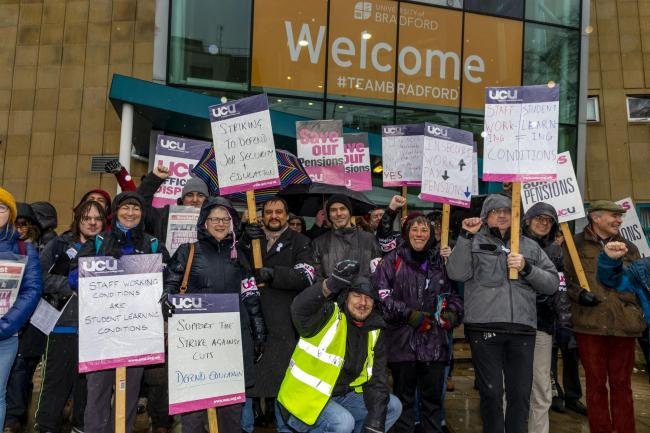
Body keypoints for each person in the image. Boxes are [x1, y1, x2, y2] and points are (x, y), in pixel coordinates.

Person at [446, 194, 559, 433]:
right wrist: (465, 237)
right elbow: (456, 273)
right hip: (484, 328)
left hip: (523, 330)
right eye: (495, 211)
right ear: (486, 216)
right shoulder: (473, 241)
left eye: (508, 211)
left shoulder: (530, 246)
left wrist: (527, 268)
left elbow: (551, 284)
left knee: (520, 394)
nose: (502, 215)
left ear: (516, 215)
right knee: (491, 391)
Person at [163, 196, 266, 433]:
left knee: (230, 412)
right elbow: (170, 284)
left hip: (232, 342)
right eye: (214, 219)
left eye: (225, 219)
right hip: (196, 345)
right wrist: (167, 300)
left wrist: (259, 331)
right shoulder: (187, 251)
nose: (220, 223)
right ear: (204, 222)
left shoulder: (240, 255)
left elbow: (251, 297)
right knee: (194, 415)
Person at [72, 192, 168, 433]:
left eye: (136, 208)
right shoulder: (98, 241)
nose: (131, 213)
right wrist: (103, 267)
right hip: (102, 332)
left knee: (129, 395)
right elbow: (75, 278)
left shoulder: (153, 244)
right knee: (97, 394)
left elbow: (168, 279)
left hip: (137, 333)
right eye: (125, 208)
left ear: (142, 213)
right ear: (115, 212)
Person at [277, 260, 402, 433]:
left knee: (392, 406)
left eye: (368, 298)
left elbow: (377, 380)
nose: (363, 302)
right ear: (346, 296)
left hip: (342, 397)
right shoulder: (328, 316)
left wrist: (375, 422)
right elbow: (300, 309)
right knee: (343, 423)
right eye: (357, 295)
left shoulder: (375, 329)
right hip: (302, 400)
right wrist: (330, 284)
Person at [373, 213, 462, 433]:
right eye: (414, 229)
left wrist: (452, 313)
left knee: (433, 404)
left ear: (431, 234)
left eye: (424, 230)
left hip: (434, 343)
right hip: (402, 342)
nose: (419, 234)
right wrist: (409, 315)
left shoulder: (440, 262)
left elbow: (455, 296)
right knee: (404, 403)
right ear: (406, 232)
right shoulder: (391, 261)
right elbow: (382, 297)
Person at [563, 200, 645, 433]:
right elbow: (564, 280)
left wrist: (634, 310)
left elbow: (639, 282)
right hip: (590, 324)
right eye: (614, 216)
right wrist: (579, 295)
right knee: (596, 385)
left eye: (620, 216)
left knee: (622, 385)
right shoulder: (574, 244)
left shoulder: (629, 247)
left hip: (624, 326)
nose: (619, 220)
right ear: (595, 218)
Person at [240, 197, 314, 433]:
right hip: (250, 322)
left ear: (287, 215)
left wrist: (274, 274)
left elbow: (307, 277)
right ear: (261, 215)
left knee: (283, 387)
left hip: (283, 326)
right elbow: (237, 267)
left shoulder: (300, 242)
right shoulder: (250, 239)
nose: (273, 216)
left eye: (279, 212)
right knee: (246, 387)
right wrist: (243, 240)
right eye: (269, 212)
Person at [34, 200, 107, 433]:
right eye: (87, 218)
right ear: (78, 220)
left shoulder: (110, 247)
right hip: (63, 325)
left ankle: (80, 426)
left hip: (96, 330)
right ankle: (45, 427)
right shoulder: (59, 244)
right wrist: (71, 285)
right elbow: (39, 279)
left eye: (97, 219)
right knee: (55, 384)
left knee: (87, 387)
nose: (93, 223)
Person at [520, 203, 572, 433]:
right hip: (514, 324)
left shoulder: (555, 251)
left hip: (542, 326)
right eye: (539, 218)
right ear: (528, 220)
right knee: (508, 386)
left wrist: (564, 324)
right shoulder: (512, 243)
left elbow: (560, 290)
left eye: (549, 220)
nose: (544, 223)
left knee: (541, 387)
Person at [0, 187, 43, 428]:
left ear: (11, 214)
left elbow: (32, 290)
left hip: (4, 335)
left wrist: (6, 325)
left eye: (1, 207)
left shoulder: (24, 249)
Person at [312, 194, 382, 279]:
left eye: (343, 209)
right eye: (333, 210)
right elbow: (317, 279)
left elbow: (379, 275)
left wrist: (362, 290)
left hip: (363, 291)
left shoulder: (369, 239)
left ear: (350, 212)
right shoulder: (318, 243)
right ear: (329, 214)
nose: (338, 213)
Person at [137, 165, 209, 244]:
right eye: (190, 195)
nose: (195, 200)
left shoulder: (216, 220)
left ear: (207, 200)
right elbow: (141, 207)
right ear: (182, 199)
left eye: (200, 195)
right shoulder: (165, 216)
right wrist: (153, 179)